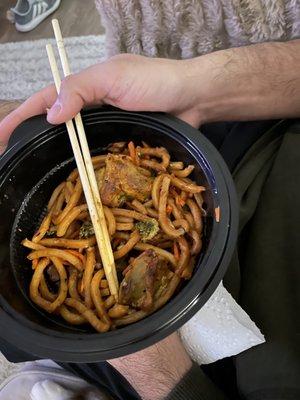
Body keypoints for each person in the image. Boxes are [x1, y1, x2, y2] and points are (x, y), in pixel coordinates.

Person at [0, 6, 300, 400]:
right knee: (17, 123)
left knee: (17, 340)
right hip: (238, 139)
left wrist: (155, 367)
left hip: (216, 347)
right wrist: (192, 88)